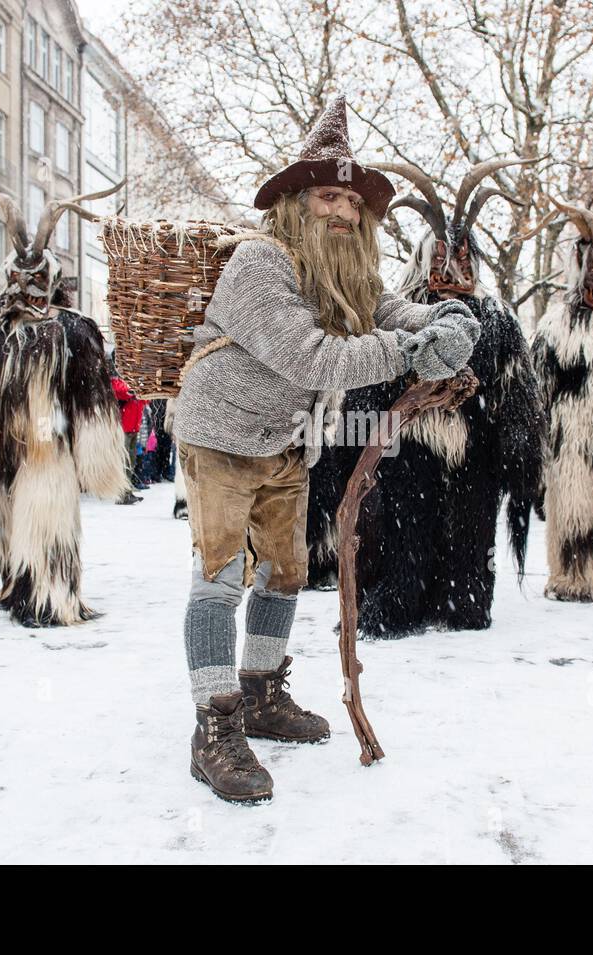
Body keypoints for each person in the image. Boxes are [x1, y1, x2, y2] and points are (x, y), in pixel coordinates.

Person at [171, 95, 480, 802]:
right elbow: (311, 356)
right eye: (328, 196)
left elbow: (385, 308)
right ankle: (214, 726)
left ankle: (261, 691)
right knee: (219, 576)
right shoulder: (259, 262)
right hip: (221, 435)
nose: (342, 211)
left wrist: (444, 317)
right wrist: (410, 349)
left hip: (287, 442)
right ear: (295, 202)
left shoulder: (343, 268)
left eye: (351, 199)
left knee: (283, 572)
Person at [110, 374, 144, 505]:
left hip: (133, 427)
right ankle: (121, 494)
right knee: (123, 463)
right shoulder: (117, 380)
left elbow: (145, 399)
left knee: (130, 462)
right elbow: (122, 392)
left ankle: (127, 491)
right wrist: (135, 388)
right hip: (124, 428)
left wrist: (137, 389)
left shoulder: (128, 380)